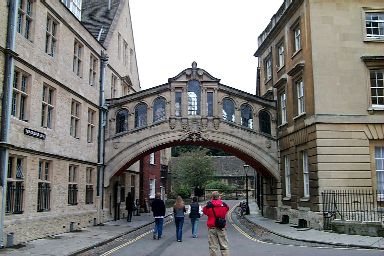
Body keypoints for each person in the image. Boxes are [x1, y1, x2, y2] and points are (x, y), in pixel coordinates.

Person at [203, 191, 230, 256]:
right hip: (221, 228)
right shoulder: (224, 205)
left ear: (212, 197)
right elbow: (227, 209)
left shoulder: (209, 205)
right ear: (219, 197)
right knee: (224, 246)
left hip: (212, 228)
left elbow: (205, 212)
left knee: (213, 246)